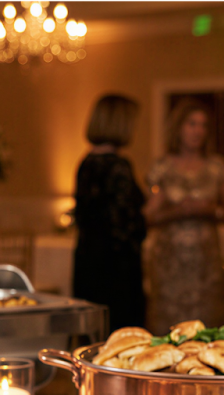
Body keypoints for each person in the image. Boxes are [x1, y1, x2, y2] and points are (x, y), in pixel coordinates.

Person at [143, 99, 224, 331]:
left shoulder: (216, 166)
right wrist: (177, 211)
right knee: (168, 328)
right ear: (179, 128)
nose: (198, 131)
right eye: (192, 124)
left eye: (203, 125)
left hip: (207, 265)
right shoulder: (163, 167)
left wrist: (209, 210)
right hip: (170, 265)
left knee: (208, 327)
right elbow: (149, 216)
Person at [71, 94, 148, 330]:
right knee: (122, 334)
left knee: (93, 334)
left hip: (88, 262)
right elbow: (126, 226)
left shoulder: (85, 163)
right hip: (116, 271)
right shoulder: (118, 166)